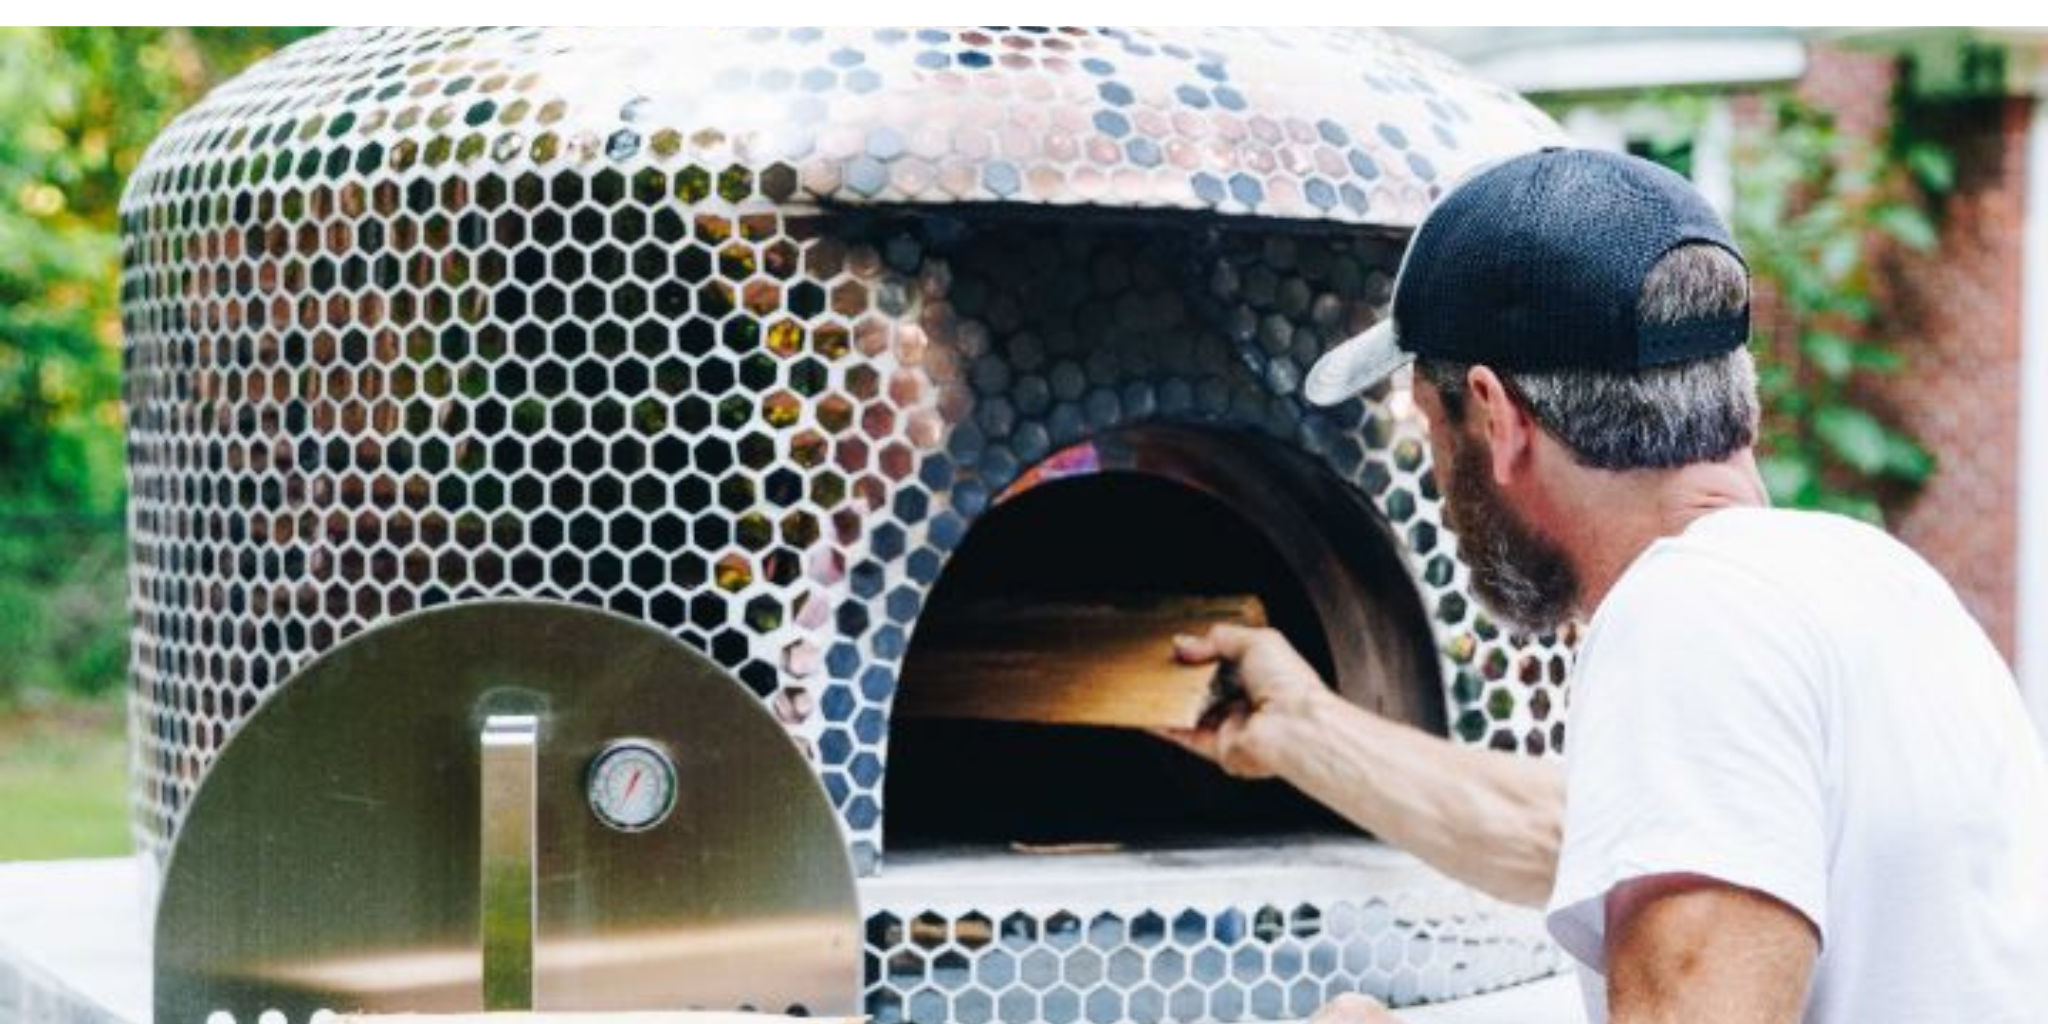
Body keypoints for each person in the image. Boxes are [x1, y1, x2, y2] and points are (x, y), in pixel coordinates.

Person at [1158, 147, 2048, 1024]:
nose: (1431, 469)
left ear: (1497, 416)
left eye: (1428, 425)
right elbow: (1582, 835)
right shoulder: (1876, 582)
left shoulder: (1685, 619)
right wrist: (1301, 731)